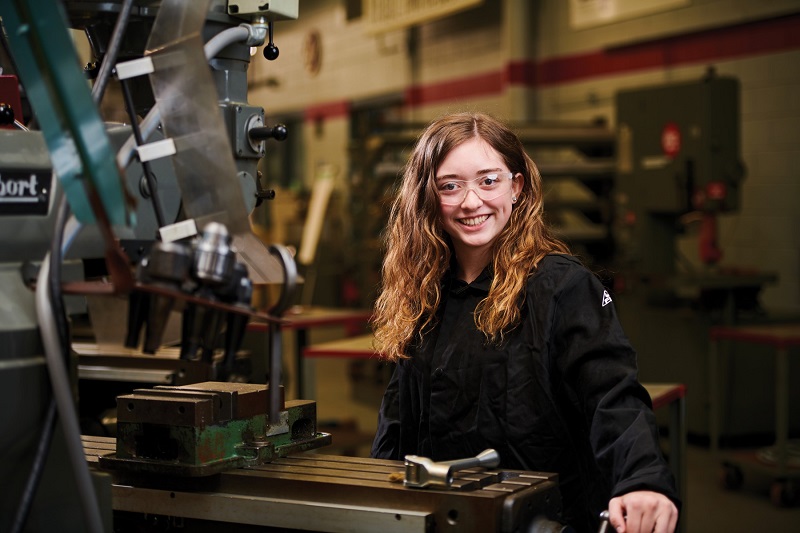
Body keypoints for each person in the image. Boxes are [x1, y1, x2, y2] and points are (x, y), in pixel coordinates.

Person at [369, 112, 680, 532]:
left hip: (544, 520)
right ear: (427, 196)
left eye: (488, 180)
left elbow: (612, 395)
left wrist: (643, 480)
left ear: (516, 187)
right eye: (450, 186)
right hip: (442, 519)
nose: (471, 201)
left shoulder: (564, 287)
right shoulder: (423, 292)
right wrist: (372, 501)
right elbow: (397, 420)